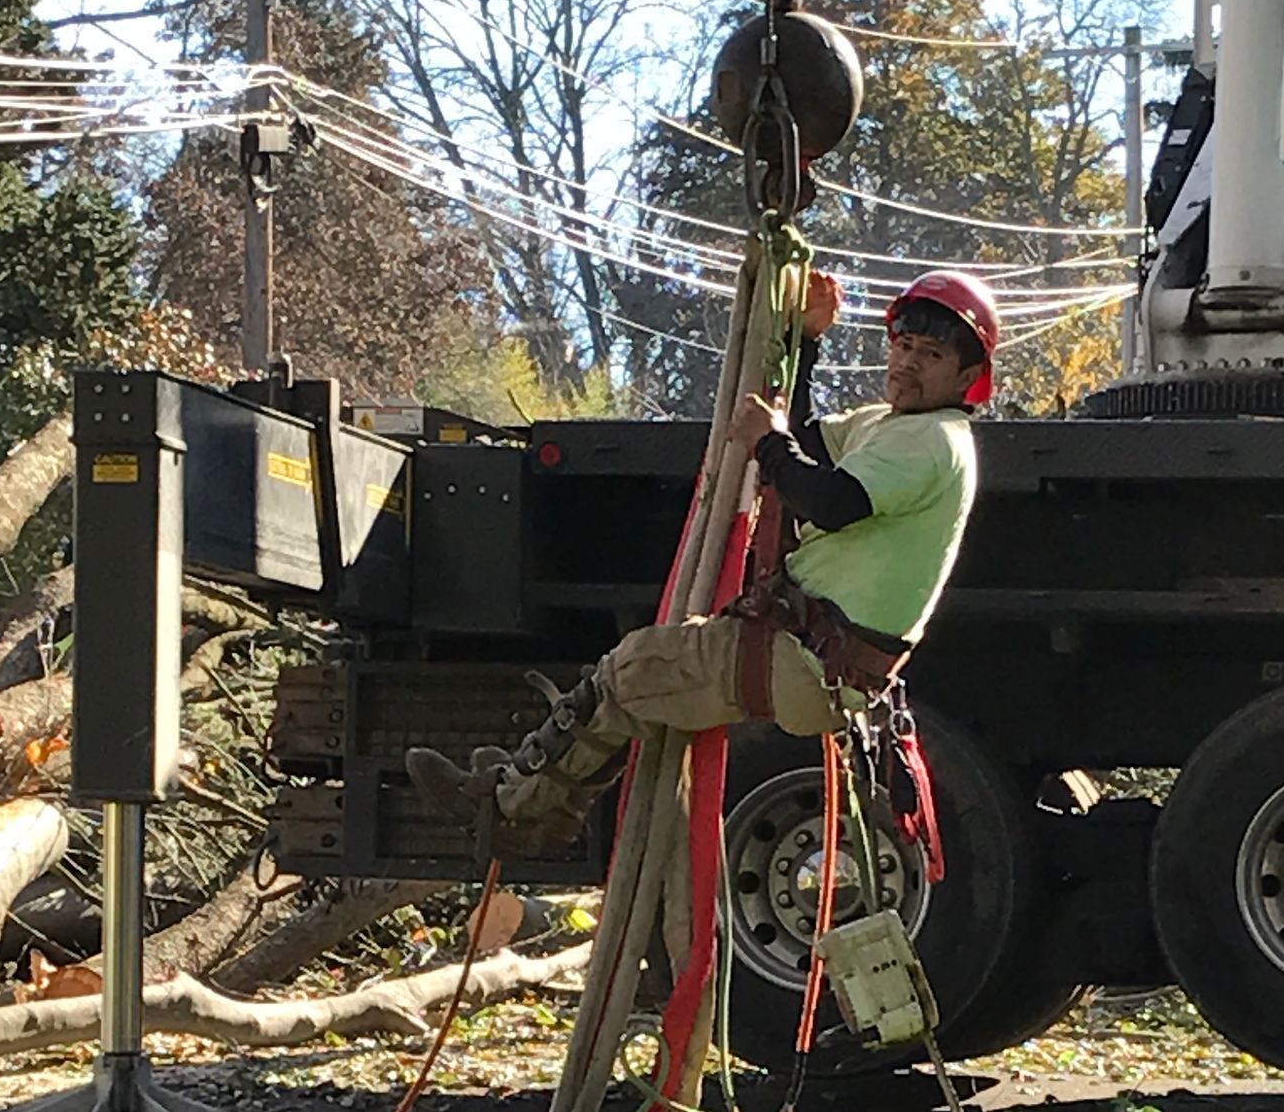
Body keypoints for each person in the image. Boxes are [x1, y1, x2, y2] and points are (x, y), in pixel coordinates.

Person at [405, 268, 999, 854]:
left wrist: (768, 441)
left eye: (931, 356)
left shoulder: (935, 441)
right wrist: (807, 342)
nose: (908, 364)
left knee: (630, 669)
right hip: (808, 654)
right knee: (642, 678)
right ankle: (548, 805)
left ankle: (511, 809)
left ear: (967, 377)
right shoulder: (892, 426)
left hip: (806, 659)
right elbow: (808, 444)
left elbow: (831, 501)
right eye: (904, 346)